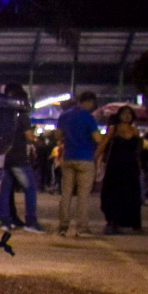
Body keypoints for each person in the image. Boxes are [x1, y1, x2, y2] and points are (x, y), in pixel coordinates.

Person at [56, 91, 102, 236]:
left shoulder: (65, 115)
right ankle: (82, 227)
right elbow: (97, 138)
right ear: (89, 102)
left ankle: (63, 225)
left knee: (66, 193)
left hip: (69, 157)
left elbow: (58, 136)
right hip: (86, 158)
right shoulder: (89, 117)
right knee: (83, 196)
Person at [0, 84, 40, 231]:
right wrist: (35, 139)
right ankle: (31, 221)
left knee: (5, 189)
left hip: (5, 156)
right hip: (19, 158)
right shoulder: (23, 116)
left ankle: (4, 220)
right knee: (31, 187)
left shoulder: (5, 115)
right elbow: (29, 136)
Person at [98, 106, 144, 234]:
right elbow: (104, 144)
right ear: (119, 115)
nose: (127, 116)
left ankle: (133, 223)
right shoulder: (114, 129)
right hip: (115, 167)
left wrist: (139, 164)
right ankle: (112, 222)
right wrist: (96, 158)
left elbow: (138, 150)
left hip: (131, 167)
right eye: (124, 113)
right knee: (113, 193)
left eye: (130, 113)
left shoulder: (135, 131)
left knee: (131, 194)